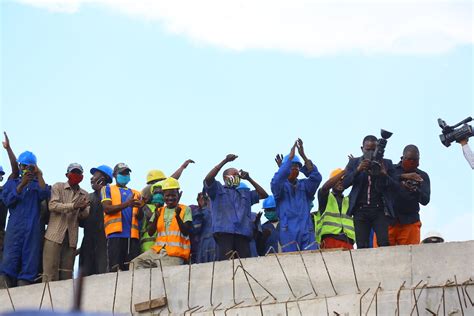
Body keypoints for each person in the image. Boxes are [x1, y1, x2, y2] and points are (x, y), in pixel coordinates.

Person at [0, 151, 50, 287]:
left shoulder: (37, 184)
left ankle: (25, 283)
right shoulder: (12, 183)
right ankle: (5, 284)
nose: (25, 169)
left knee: (30, 257)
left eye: (29, 167)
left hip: (32, 228)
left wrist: (39, 175)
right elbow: (7, 200)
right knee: (10, 256)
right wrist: (21, 185)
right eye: (23, 166)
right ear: (19, 166)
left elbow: (45, 193)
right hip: (15, 227)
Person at [204, 154, 268, 260]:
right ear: (225, 177)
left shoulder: (245, 193)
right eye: (234, 174)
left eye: (238, 175)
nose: (237, 176)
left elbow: (263, 195)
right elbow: (208, 178)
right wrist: (225, 161)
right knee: (226, 265)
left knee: (244, 264)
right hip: (224, 233)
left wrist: (249, 178)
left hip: (242, 234)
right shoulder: (217, 190)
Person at [343, 135, 398, 248]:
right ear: (362, 149)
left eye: (374, 149)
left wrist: (384, 174)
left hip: (380, 210)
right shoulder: (354, 162)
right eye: (368, 149)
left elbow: (395, 186)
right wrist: (358, 170)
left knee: (384, 243)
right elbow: (344, 183)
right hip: (360, 210)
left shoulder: (386, 163)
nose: (371, 152)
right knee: (362, 245)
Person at [271, 139, 322, 252]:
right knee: (292, 263)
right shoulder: (280, 188)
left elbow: (317, 178)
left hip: (307, 230)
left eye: (296, 166)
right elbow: (276, 181)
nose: (294, 168)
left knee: (311, 261)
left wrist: (303, 155)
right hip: (288, 231)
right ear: (284, 168)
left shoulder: (305, 185)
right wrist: (288, 160)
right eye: (291, 166)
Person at [43, 163, 90, 282]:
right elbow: (52, 205)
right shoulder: (58, 187)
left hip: (71, 238)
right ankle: (47, 299)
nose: (76, 175)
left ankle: (64, 300)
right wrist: (74, 206)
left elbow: (83, 215)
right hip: (54, 236)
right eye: (74, 172)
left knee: (67, 275)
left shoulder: (85, 194)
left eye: (79, 173)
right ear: (67, 174)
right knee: (50, 273)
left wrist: (83, 209)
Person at [132, 177, 192, 268]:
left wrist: (177, 216)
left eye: (173, 195)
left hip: (175, 253)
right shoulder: (160, 211)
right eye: (167, 196)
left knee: (165, 276)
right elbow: (150, 232)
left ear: (178, 195)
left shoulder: (185, 209)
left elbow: (186, 231)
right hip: (157, 250)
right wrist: (155, 217)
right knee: (135, 263)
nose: (170, 198)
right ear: (163, 196)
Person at [101, 163, 144, 272]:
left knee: (131, 270)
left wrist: (140, 207)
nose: (125, 175)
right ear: (115, 175)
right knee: (114, 269)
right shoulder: (107, 189)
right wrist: (127, 204)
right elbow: (107, 208)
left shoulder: (136, 193)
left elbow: (139, 217)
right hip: (115, 235)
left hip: (132, 237)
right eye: (122, 173)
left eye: (127, 173)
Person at [388, 145, 430, 246]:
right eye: (409, 159)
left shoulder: (422, 175)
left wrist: (415, 190)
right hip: (388, 220)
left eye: (415, 160)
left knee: (410, 257)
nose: (412, 162)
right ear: (402, 158)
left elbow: (425, 200)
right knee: (382, 256)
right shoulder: (391, 170)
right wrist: (402, 177)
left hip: (410, 221)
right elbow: (383, 181)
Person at [79, 165, 113, 276]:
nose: (91, 178)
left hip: (104, 242)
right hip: (88, 243)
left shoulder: (112, 197)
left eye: (94, 175)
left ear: (103, 178)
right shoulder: (88, 197)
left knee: (103, 273)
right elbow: (82, 223)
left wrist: (101, 192)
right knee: (85, 275)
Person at [315, 168, 355, 250]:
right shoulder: (325, 197)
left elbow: (358, 187)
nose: (340, 182)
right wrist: (344, 172)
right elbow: (325, 188)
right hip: (330, 240)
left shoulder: (349, 200)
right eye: (338, 180)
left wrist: (355, 172)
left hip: (348, 242)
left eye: (343, 180)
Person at [192, 192, 219, 263]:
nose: (204, 201)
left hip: (216, 243)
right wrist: (200, 212)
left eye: (206, 198)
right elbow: (195, 229)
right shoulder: (198, 212)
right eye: (201, 199)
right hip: (203, 245)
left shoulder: (219, 211)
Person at [139, 181, 165, 253]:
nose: (158, 195)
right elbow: (150, 217)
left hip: (161, 245)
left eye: (161, 193)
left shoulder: (166, 209)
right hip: (147, 244)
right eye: (156, 193)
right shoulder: (146, 207)